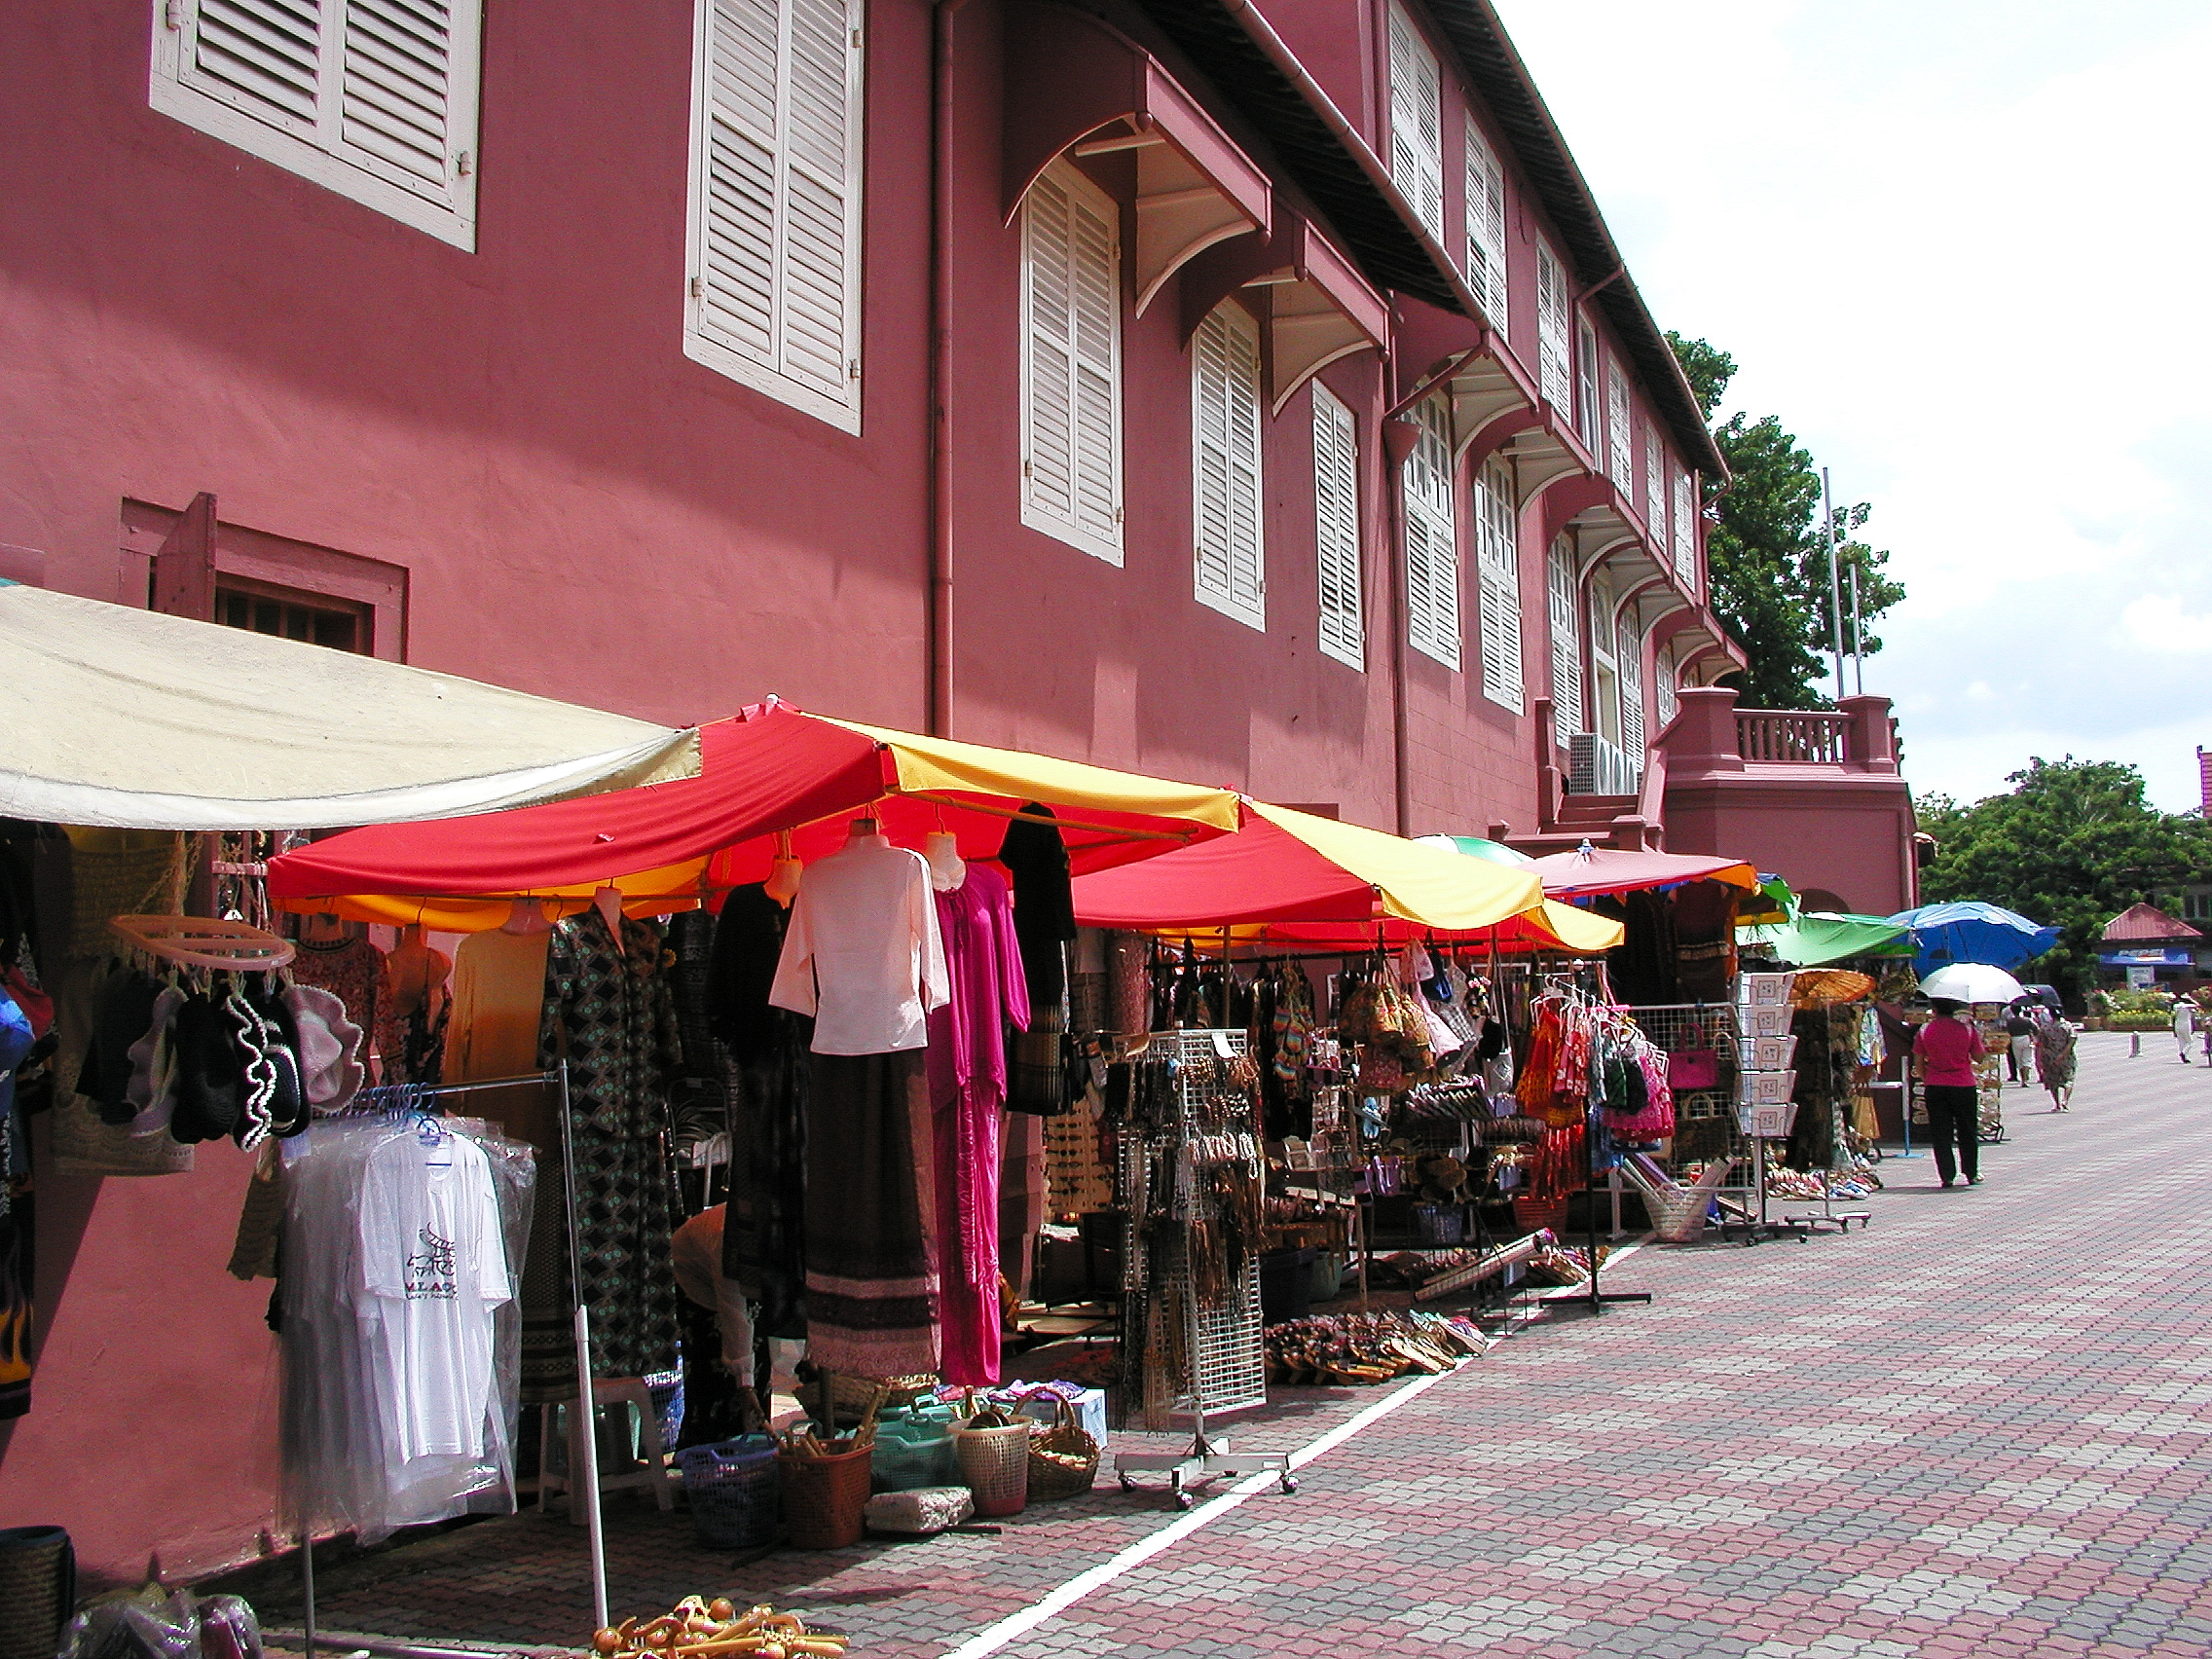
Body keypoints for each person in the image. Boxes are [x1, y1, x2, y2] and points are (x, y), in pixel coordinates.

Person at [1913, 997, 1985, 1188]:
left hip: (1936, 1085)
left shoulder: (1925, 1030)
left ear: (1934, 1009)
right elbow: (1979, 1057)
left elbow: (1918, 1060)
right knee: (1967, 1131)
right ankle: (1971, 1172)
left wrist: (1927, 1078)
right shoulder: (1967, 1029)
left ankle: (1947, 1175)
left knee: (1940, 1133)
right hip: (1964, 1085)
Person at [2033, 1007, 2077, 1112]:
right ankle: (2065, 1100)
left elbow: (2041, 1044)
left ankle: (2057, 1104)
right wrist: (2062, 1054)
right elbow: (2071, 1041)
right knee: (2068, 1079)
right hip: (2066, 1057)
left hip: (2049, 1057)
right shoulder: (2068, 1026)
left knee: (2052, 1081)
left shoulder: (2045, 1027)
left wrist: (2039, 1059)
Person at [2005, 1003, 2037, 1086]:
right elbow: (2036, 1029)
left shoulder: (2010, 1021)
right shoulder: (2027, 1020)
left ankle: (2023, 1079)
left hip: (2015, 1039)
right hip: (2026, 1038)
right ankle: (2025, 1078)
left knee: (2019, 1060)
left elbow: (2007, 1031)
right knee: (2027, 1059)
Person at [2174, 995, 2196, 1064]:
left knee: (2181, 1042)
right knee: (2190, 1042)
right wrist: (2191, 999)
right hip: (2186, 1025)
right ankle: (2184, 1053)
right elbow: (2198, 1005)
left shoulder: (2176, 1006)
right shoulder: (2189, 1006)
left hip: (2177, 1025)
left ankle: (2184, 1056)